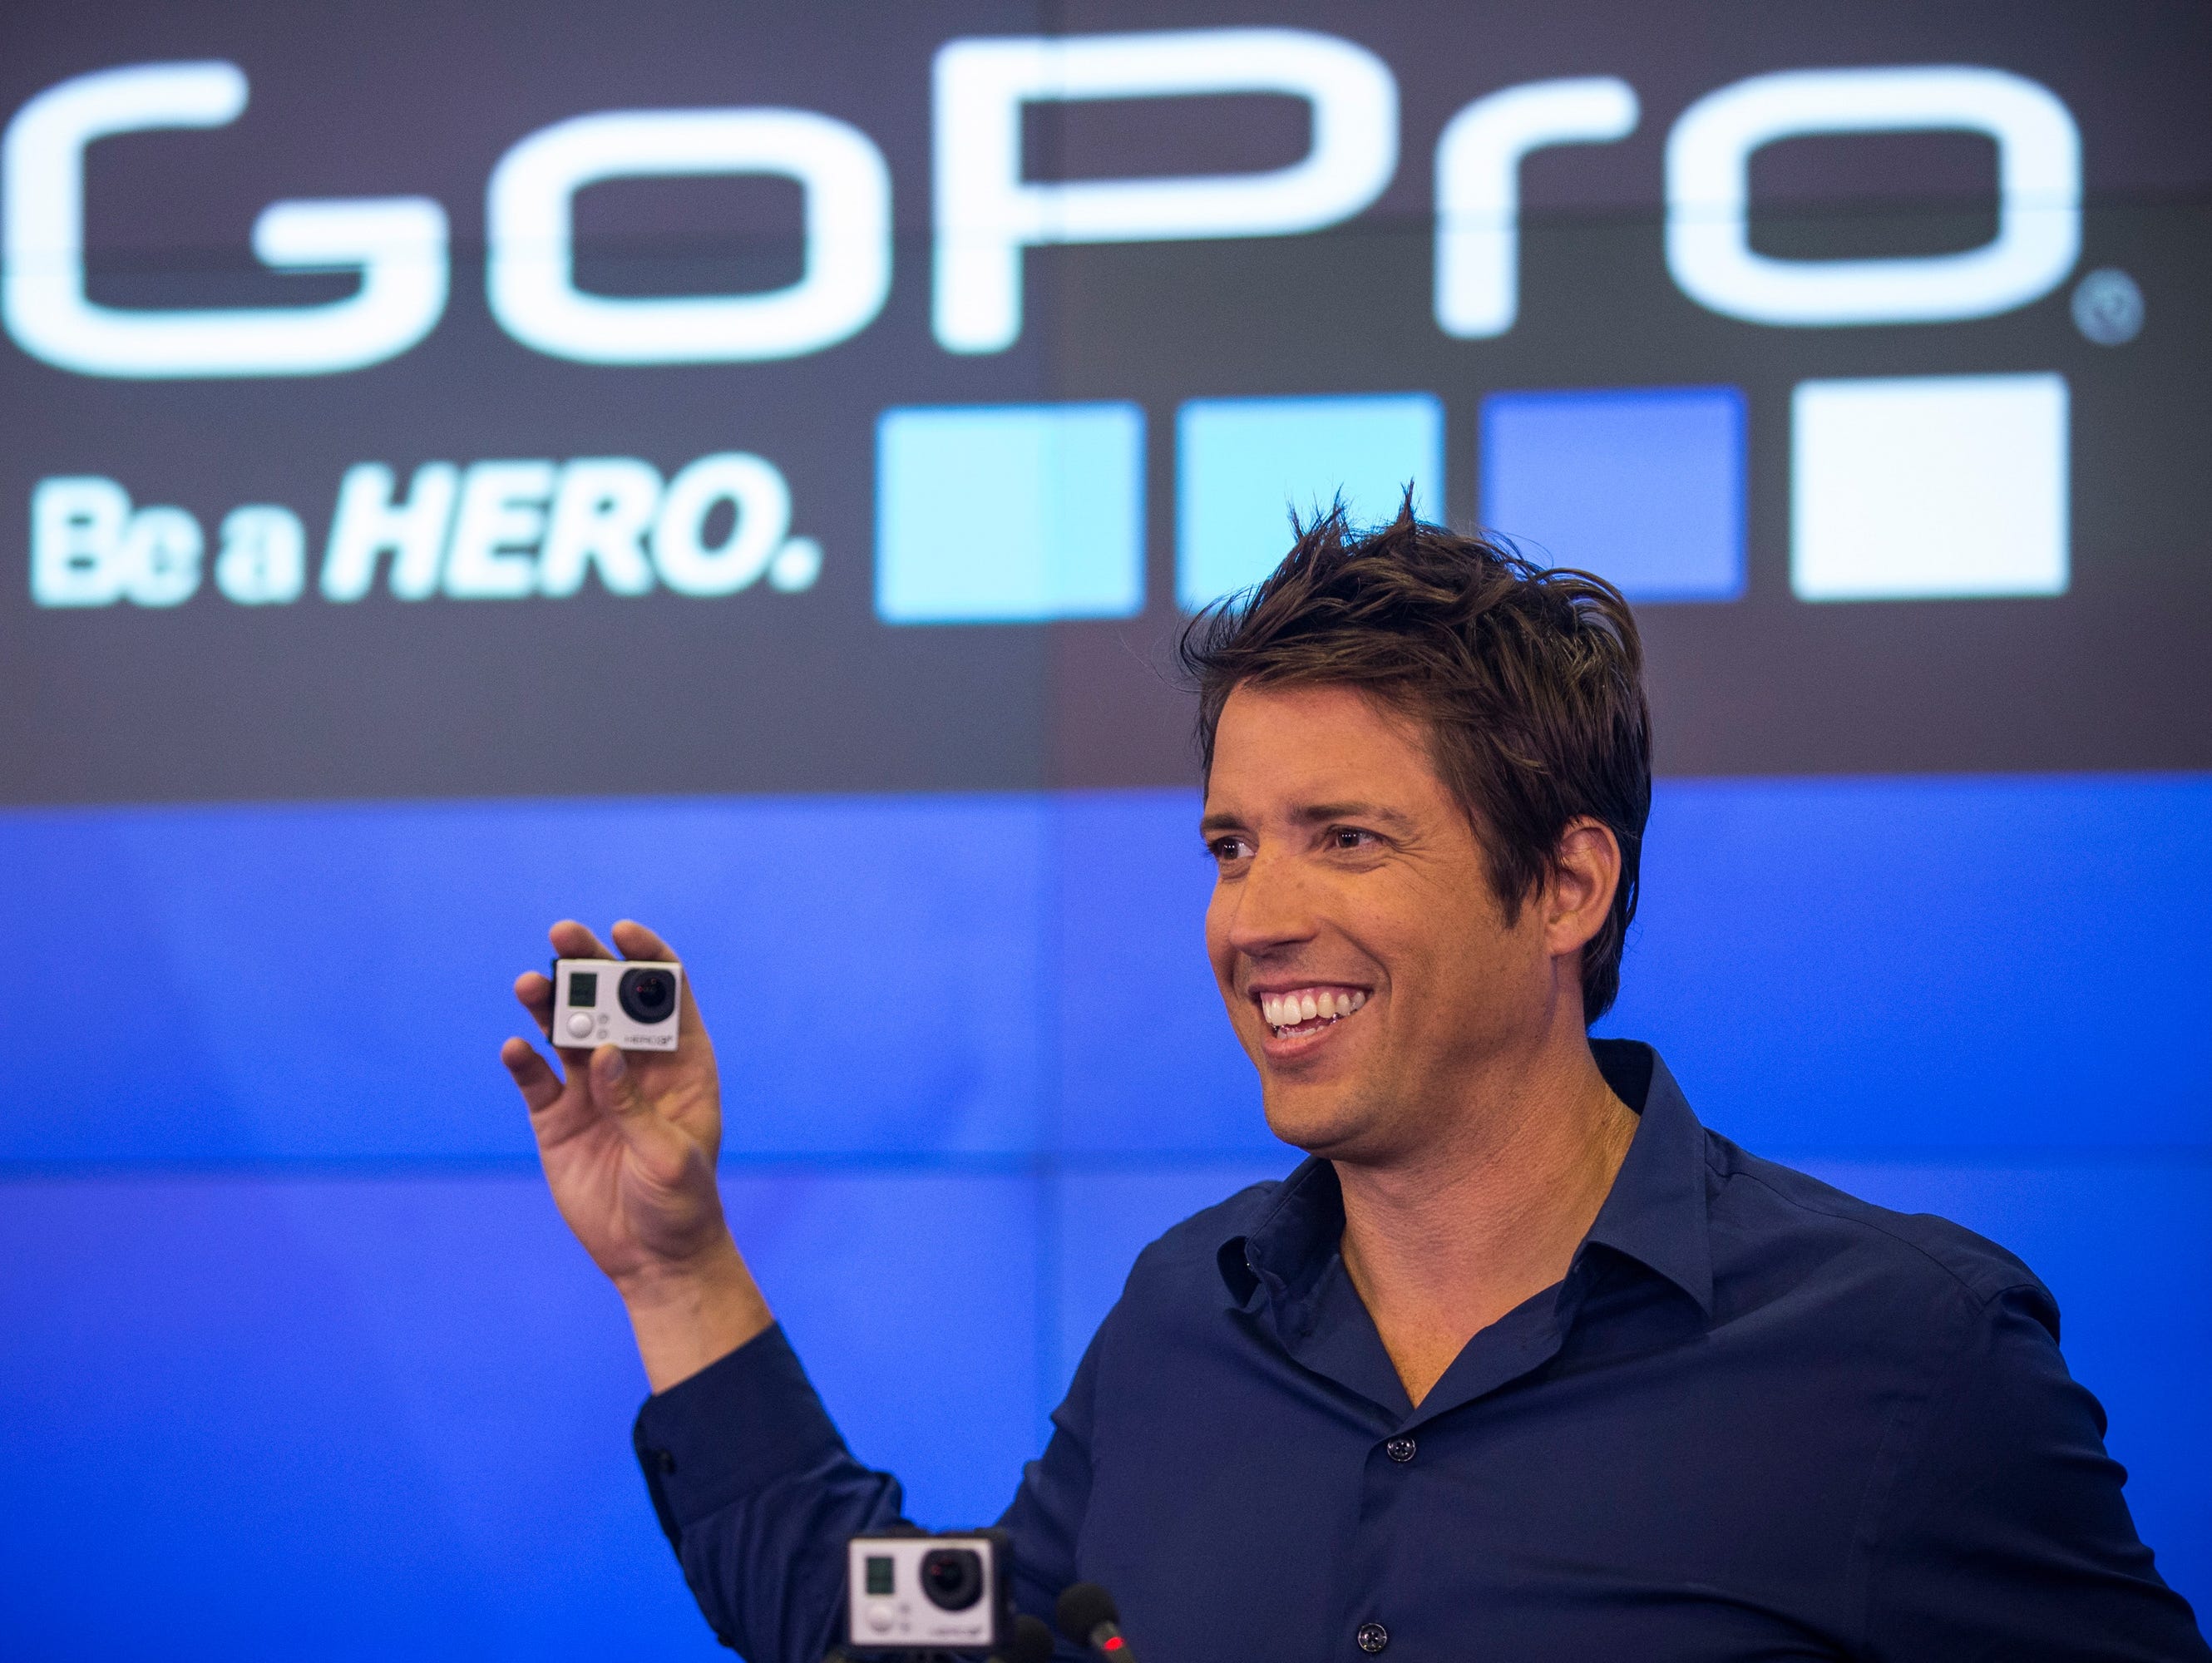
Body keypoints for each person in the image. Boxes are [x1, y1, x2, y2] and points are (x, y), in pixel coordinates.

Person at [501, 506, 2208, 1661]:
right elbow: (926, 1635)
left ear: (1567, 885)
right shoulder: (1188, 1315)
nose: (1253, 918)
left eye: (1347, 838)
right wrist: (676, 1265)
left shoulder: (1908, 1353)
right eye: (1231, 845)